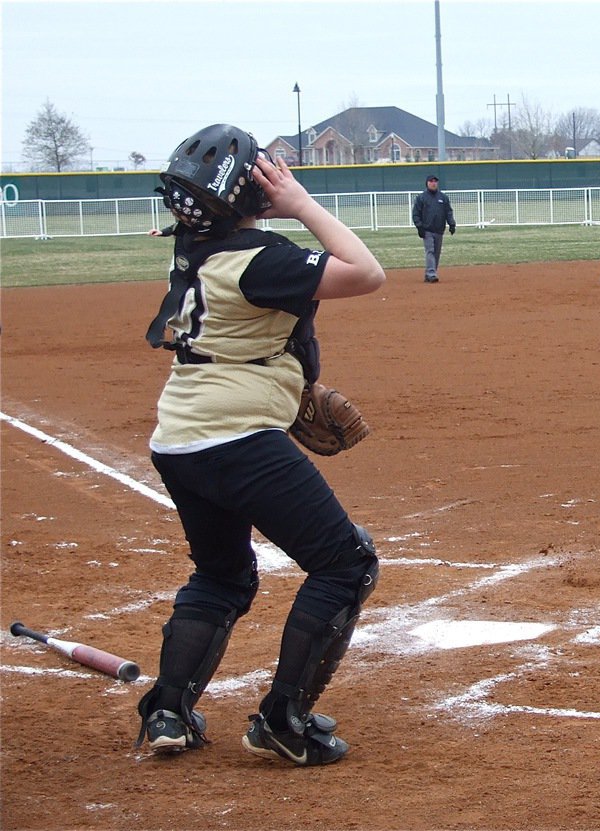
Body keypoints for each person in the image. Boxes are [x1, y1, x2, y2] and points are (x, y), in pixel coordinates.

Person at [135, 124, 386, 766]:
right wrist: (300, 204)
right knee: (345, 563)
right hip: (237, 440)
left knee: (222, 574)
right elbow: (366, 273)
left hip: (180, 437)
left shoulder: (199, 247)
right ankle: (284, 719)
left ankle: (168, 710)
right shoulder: (260, 260)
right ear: (249, 193)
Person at [412, 174, 455, 283]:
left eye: (435, 181)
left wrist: (452, 224)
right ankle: (431, 273)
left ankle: (429, 273)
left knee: (436, 253)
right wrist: (419, 227)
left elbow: (448, 212)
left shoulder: (443, 198)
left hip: (439, 230)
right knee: (430, 251)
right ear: (427, 183)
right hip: (427, 230)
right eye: (431, 181)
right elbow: (416, 214)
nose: (433, 183)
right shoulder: (421, 198)